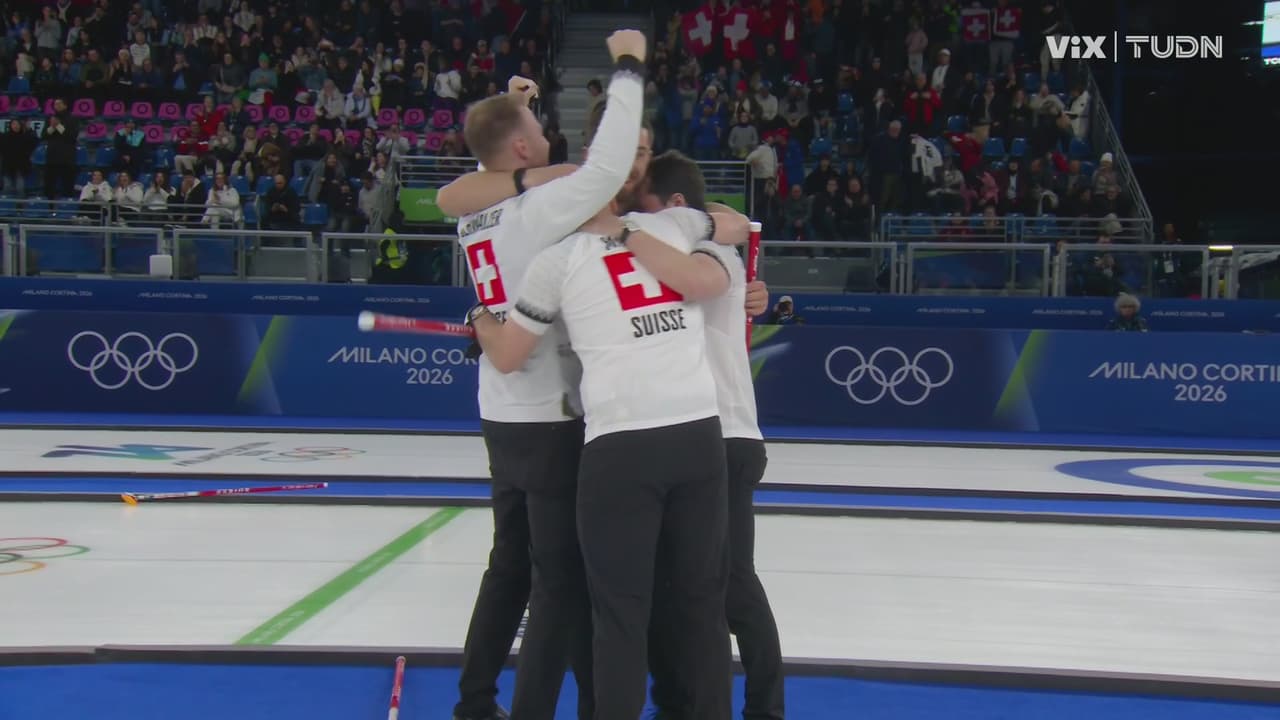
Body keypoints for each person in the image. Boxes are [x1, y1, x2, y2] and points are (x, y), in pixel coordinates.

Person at [433, 30, 650, 720]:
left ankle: (475, 700)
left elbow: (466, 180)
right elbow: (608, 164)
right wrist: (626, 65)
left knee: (509, 567)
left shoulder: (475, 212)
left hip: (501, 412)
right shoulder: (536, 206)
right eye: (536, 125)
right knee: (559, 581)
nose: (545, 133)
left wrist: (513, 101)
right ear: (522, 150)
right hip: (550, 415)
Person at [467, 198, 748, 720]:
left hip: (621, 445)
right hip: (697, 434)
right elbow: (737, 226)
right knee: (703, 607)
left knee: (620, 615)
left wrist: (480, 318)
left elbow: (508, 355)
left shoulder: (556, 259)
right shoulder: (671, 223)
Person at [633, 151, 785, 720]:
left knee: (730, 585)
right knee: (681, 585)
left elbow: (724, 222)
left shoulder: (710, 250)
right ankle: (679, 700)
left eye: (649, 211)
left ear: (676, 208)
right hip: (691, 434)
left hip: (724, 435)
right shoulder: (691, 245)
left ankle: (764, 709)